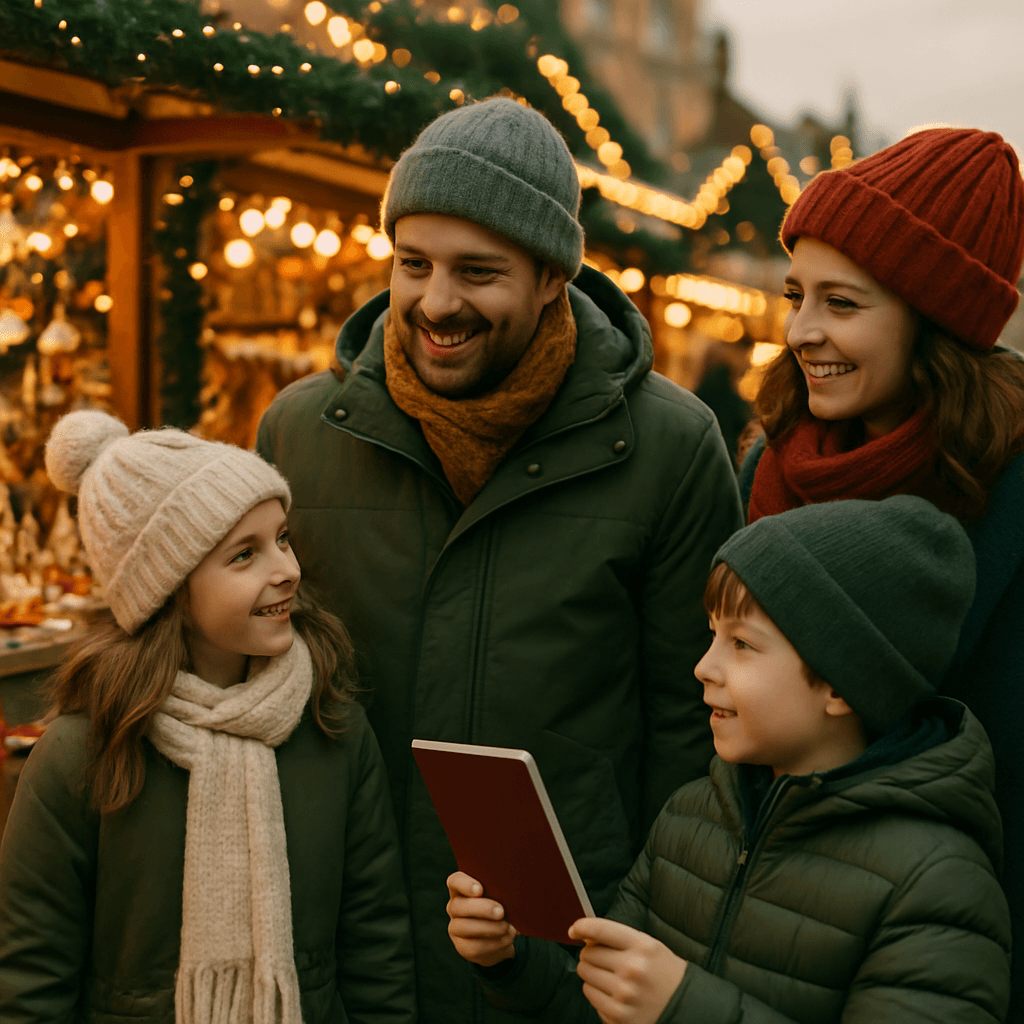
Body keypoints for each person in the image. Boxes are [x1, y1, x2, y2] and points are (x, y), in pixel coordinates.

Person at [256, 96, 743, 1023]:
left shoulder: (671, 448)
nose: (437, 302)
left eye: (477, 271)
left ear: (553, 275)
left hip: (563, 962)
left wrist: (649, 944)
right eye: (413, 263)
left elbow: (694, 734)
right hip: (347, 941)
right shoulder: (302, 432)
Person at [447, 496, 1010, 1024]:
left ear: (842, 682)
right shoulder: (690, 818)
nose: (704, 666)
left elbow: (664, 1003)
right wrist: (511, 960)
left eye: (741, 644)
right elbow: (605, 998)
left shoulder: (938, 881)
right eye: (712, 634)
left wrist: (682, 1006)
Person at [0, 410, 415, 1024]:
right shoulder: (84, 750)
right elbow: (29, 977)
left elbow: (377, 948)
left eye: (282, 538)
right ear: (165, 589)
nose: (288, 570)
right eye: (244, 554)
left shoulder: (333, 728)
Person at [737, 126, 1024, 1012]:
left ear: (933, 319)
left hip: (947, 950)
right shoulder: (769, 468)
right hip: (757, 925)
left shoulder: (1009, 491)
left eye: (842, 303)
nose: (801, 332)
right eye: (796, 296)